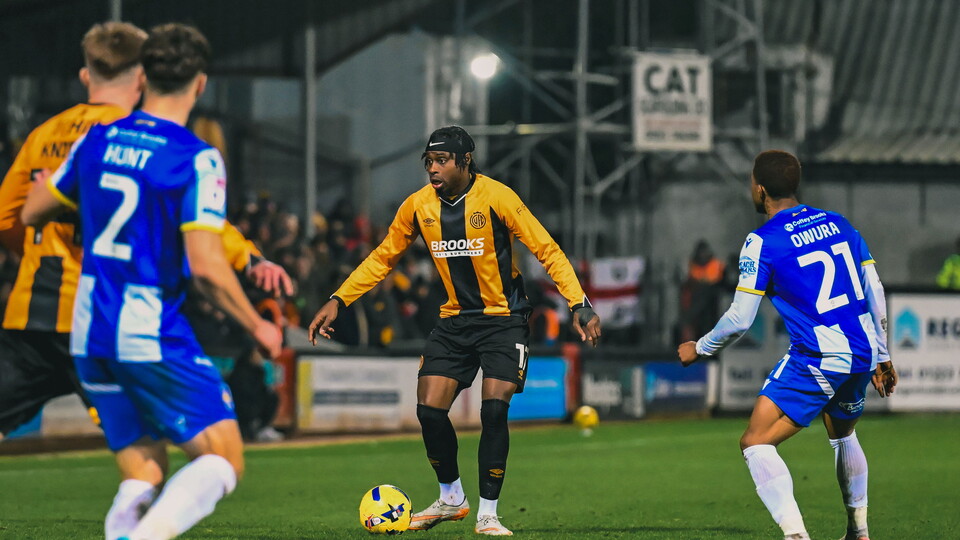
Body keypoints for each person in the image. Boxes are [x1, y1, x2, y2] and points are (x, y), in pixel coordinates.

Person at [21, 23, 282, 540]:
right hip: (145, 327)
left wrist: (57, 190)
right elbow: (207, 267)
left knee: (145, 472)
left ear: (142, 76)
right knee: (224, 459)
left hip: (88, 328)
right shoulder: (195, 158)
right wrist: (258, 326)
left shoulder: (97, 140)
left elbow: (33, 210)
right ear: (201, 83)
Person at [309, 126, 601, 536]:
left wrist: (579, 303)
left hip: (504, 319)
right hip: (455, 321)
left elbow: (546, 250)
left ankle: (488, 513)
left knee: (494, 408)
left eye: (442, 160)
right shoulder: (416, 207)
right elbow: (382, 258)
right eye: (429, 161)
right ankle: (451, 499)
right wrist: (338, 299)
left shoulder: (498, 197)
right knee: (428, 410)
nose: (433, 168)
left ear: (465, 161)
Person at [678, 150, 897, 540]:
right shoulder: (840, 223)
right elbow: (874, 290)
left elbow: (740, 319)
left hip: (821, 355)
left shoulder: (763, 241)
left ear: (760, 190)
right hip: (862, 352)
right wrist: (882, 353)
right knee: (843, 433)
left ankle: (796, 536)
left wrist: (701, 347)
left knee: (755, 442)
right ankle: (859, 531)